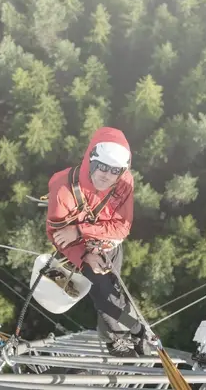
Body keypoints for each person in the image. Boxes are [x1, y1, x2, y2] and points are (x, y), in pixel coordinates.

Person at [45, 127, 149, 357]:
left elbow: (122, 227)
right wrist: (84, 255)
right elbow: (57, 234)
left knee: (114, 296)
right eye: (102, 166)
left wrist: (80, 229)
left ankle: (128, 330)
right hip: (81, 251)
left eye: (114, 170)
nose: (106, 174)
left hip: (109, 246)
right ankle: (124, 336)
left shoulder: (124, 182)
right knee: (107, 301)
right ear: (90, 160)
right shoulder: (64, 189)